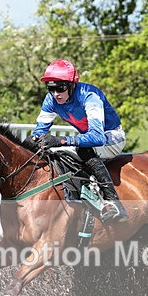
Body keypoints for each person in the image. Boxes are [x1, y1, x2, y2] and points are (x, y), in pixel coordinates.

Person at [30, 59, 128, 223]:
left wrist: (61, 140)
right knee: (53, 152)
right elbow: (39, 131)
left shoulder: (90, 97)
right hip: (93, 139)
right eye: (51, 88)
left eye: (60, 88)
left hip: (111, 137)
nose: (55, 94)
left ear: (72, 85)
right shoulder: (51, 100)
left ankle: (114, 203)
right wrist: (32, 141)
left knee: (82, 149)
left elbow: (97, 137)